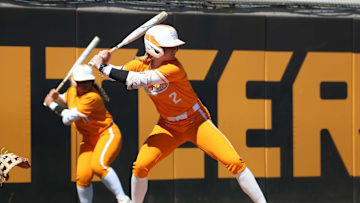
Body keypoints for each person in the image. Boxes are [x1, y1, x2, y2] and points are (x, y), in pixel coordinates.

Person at [90, 24, 267, 203]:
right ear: (154, 49)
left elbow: (135, 80)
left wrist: (102, 66)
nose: (175, 49)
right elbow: (120, 73)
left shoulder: (174, 68)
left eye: (175, 46)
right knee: (140, 167)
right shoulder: (140, 65)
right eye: (169, 47)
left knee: (235, 162)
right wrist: (105, 63)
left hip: (196, 122)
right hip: (168, 126)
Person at [43, 64, 131, 203]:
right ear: (74, 82)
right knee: (82, 176)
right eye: (81, 82)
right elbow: (66, 101)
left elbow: (67, 119)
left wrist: (51, 104)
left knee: (98, 165)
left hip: (106, 134)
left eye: (88, 81)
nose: (85, 85)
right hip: (89, 138)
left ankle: (123, 199)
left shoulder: (92, 97)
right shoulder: (72, 91)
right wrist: (57, 98)